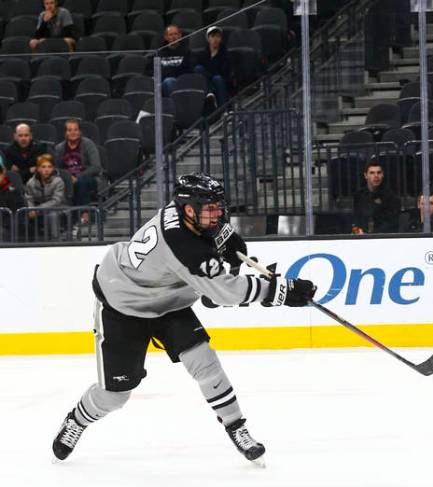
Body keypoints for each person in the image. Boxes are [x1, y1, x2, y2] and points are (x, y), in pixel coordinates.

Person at [51, 173, 317, 464]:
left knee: (205, 361)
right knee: (116, 395)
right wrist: (281, 290)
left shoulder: (184, 215)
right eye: (210, 208)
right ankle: (76, 420)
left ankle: (237, 427)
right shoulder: (183, 246)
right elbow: (226, 294)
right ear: (189, 209)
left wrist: (227, 243)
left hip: (167, 302)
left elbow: (212, 245)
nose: (217, 214)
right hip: (122, 305)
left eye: (218, 206)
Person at [53, 119, 103, 222]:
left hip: (89, 178)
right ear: (65, 133)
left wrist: (77, 177)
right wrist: (68, 178)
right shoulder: (59, 148)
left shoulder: (88, 144)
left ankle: (85, 213)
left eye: (75, 130)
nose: (72, 133)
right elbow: (56, 168)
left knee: (80, 183)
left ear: (80, 132)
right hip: (67, 179)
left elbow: (96, 167)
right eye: (69, 130)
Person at [24, 154, 67, 240]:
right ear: (38, 169)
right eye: (43, 167)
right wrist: (31, 209)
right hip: (38, 209)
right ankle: (29, 241)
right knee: (23, 214)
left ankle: (55, 240)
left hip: (58, 208)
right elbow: (29, 198)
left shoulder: (58, 181)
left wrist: (38, 209)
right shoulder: (31, 183)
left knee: (52, 215)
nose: (46, 170)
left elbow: (56, 201)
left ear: (53, 168)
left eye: (49, 167)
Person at [351, 160, 401, 234]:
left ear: (383, 175)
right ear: (365, 175)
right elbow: (356, 219)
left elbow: (392, 224)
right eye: (372, 173)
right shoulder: (359, 195)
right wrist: (357, 230)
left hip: (383, 238)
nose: (376, 176)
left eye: (379, 172)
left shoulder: (391, 196)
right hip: (362, 237)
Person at [194, 26, 233, 110]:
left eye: (218, 36)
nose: (215, 39)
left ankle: (225, 110)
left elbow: (224, 71)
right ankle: (210, 92)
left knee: (217, 78)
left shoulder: (225, 54)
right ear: (208, 39)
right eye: (213, 36)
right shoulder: (203, 55)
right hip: (208, 81)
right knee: (198, 68)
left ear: (221, 39)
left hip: (222, 80)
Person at [156, 25, 195, 98]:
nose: (173, 37)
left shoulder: (186, 52)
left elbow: (190, 69)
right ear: (166, 37)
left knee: (170, 81)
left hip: (182, 82)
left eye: (175, 34)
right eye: (170, 35)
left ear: (180, 35)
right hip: (163, 83)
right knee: (167, 81)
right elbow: (151, 70)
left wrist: (169, 71)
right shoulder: (160, 53)